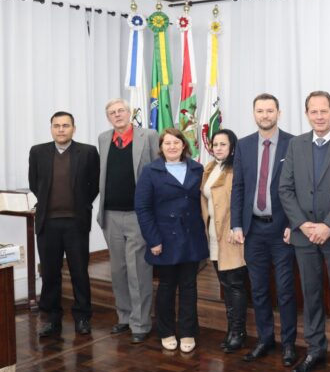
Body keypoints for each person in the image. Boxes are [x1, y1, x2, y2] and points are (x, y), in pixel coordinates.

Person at [279, 91, 330, 372]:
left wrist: (327, 225)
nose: (319, 116)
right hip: (304, 237)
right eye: (313, 112)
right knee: (311, 296)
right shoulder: (295, 144)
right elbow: (285, 189)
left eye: (323, 111)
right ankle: (315, 349)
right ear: (306, 114)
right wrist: (302, 224)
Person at [231, 93, 298, 366]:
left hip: (282, 231)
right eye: (260, 110)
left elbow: (299, 189)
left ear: (278, 113)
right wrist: (236, 223)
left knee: (285, 290)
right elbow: (239, 188)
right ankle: (265, 339)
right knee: (258, 290)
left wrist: (295, 224)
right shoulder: (244, 145)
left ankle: (290, 344)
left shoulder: (294, 144)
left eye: (270, 110)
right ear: (254, 113)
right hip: (253, 231)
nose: (265, 115)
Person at [135, 128, 207, 353]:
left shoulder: (197, 168)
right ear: (161, 147)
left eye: (177, 142)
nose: (172, 146)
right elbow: (143, 209)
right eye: (168, 143)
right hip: (164, 239)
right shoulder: (150, 171)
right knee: (166, 287)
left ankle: (188, 332)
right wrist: (153, 240)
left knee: (189, 286)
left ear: (184, 145)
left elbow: (202, 202)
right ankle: (165, 331)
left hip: (191, 237)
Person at [28, 111, 99, 337]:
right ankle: (51, 319)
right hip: (48, 224)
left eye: (65, 125)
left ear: (73, 128)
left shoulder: (88, 152)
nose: (61, 129)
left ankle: (82, 317)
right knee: (50, 273)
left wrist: (79, 204)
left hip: (76, 223)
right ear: (51, 128)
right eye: (56, 125)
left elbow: (94, 185)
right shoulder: (38, 152)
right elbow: (34, 183)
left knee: (79, 272)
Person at [97, 99, 158, 343]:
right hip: (111, 214)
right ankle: (124, 317)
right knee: (118, 270)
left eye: (121, 110)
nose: (117, 115)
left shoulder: (149, 136)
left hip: (138, 215)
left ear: (130, 112)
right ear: (108, 117)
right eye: (112, 112)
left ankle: (141, 323)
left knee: (138, 270)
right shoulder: (103, 139)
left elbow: (157, 171)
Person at [201, 129, 248, 353]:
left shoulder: (237, 169)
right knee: (225, 284)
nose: (218, 148)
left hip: (231, 234)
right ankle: (232, 329)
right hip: (214, 234)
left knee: (235, 284)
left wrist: (235, 227)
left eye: (223, 144)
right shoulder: (210, 168)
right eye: (215, 144)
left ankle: (238, 332)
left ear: (232, 147)